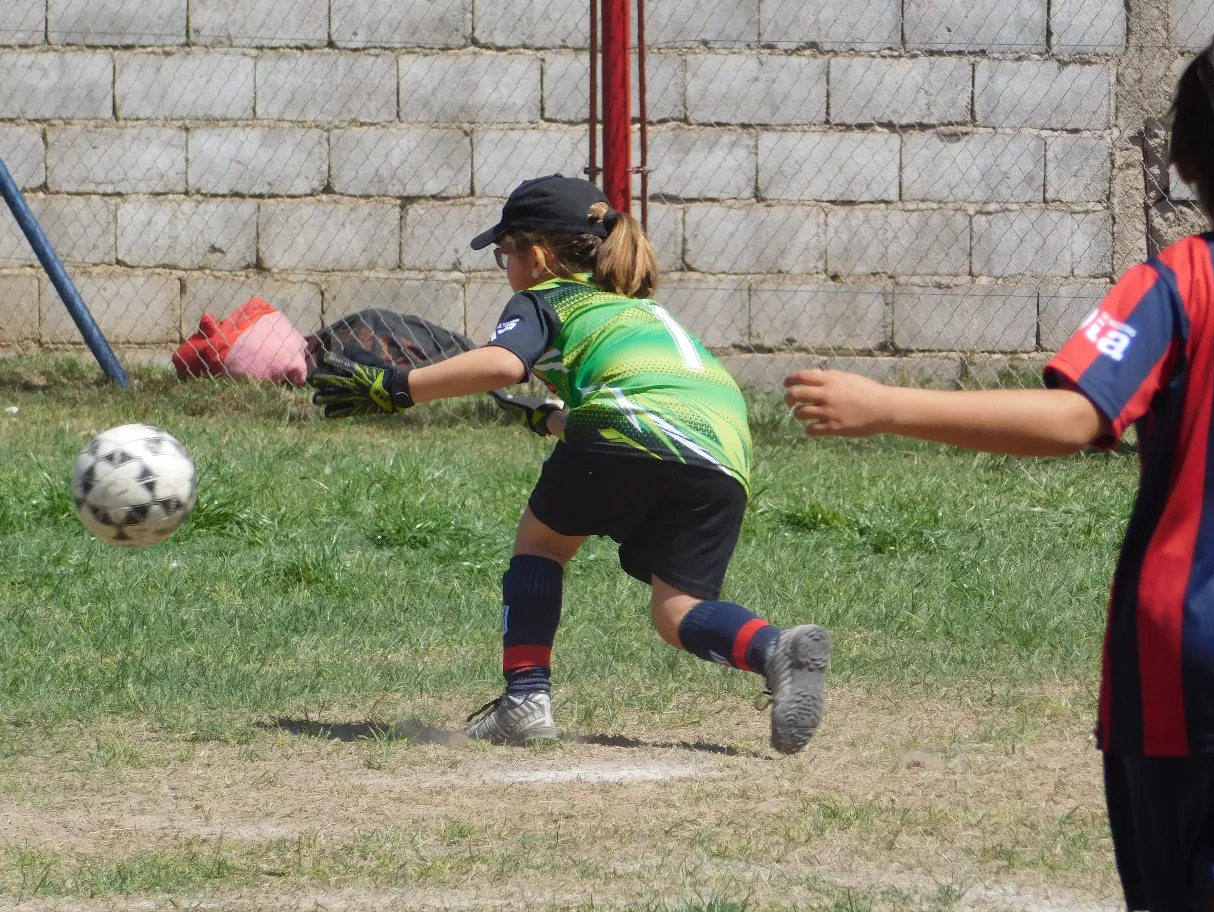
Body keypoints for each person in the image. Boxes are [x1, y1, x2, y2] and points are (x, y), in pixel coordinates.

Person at [785, 21, 1214, 912]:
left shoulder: (1181, 280)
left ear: (1182, 159)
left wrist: (887, 405)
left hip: (1184, 648)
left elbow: (1078, 417)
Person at [310, 174, 831, 754]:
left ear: (535, 256)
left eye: (505, 253)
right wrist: (551, 418)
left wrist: (400, 386)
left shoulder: (545, 297)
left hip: (631, 425)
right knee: (677, 608)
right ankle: (774, 649)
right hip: (725, 446)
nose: (505, 266)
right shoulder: (639, 312)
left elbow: (505, 363)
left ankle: (525, 701)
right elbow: (649, 395)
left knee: (541, 547)